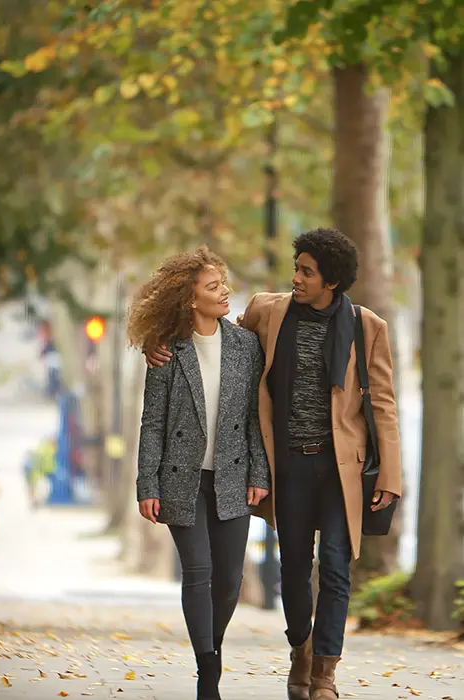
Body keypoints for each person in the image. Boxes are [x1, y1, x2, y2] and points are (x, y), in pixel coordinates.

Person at [145, 228, 402, 700]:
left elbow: (383, 403)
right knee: (293, 568)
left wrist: (391, 475)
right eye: (296, 268)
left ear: (333, 282)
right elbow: (217, 346)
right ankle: (300, 651)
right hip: (289, 466)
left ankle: (324, 673)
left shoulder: (368, 327)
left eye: (307, 271)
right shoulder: (268, 310)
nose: (296, 278)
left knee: (336, 564)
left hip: (342, 469)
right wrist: (158, 346)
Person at [130, 247, 270, 700]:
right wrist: (145, 484)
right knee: (199, 569)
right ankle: (207, 673)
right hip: (180, 478)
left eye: (223, 283)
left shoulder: (246, 346)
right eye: (213, 287)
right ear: (190, 299)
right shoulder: (167, 351)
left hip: (233, 476)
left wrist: (259, 472)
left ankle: (212, 648)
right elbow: (152, 422)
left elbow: (253, 416)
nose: (224, 291)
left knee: (230, 579)